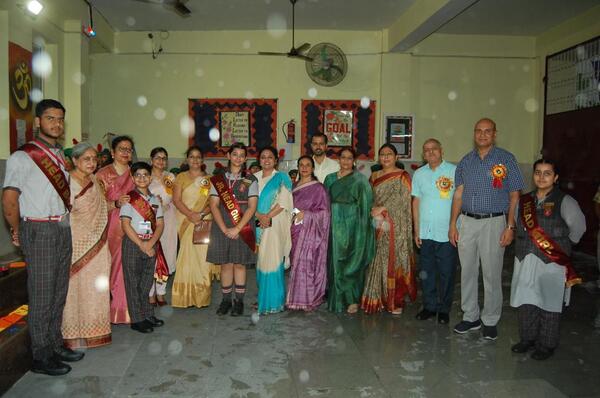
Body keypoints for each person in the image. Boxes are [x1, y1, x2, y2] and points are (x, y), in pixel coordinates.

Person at [2, 99, 83, 376]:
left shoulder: (60, 155)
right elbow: (10, 199)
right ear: (38, 121)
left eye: (60, 119)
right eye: (50, 118)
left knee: (59, 291)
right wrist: (18, 230)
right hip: (39, 230)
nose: (56, 124)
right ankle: (40, 356)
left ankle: (54, 344)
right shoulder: (22, 156)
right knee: (41, 295)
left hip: (62, 228)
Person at [449, 118, 525, 340]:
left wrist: (510, 226)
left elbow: (514, 195)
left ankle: (490, 319)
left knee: (491, 272)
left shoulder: (506, 159)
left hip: (494, 222)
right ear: (474, 134)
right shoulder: (465, 162)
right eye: (478, 131)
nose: (482, 135)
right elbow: (458, 194)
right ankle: (470, 316)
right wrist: (453, 223)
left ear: (494, 134)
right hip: (467, 222)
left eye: (487, 131)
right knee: (467, 271)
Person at [510, 159, 585, 359]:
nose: (541, 177)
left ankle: (547, 344)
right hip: (525, 257)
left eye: (547, 173)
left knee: (549, 302)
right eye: (538, 172)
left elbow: (578, 228)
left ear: (556, 177)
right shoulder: (524, 200)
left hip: (553, 260)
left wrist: (562, 247)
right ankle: (528, 338)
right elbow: (517, 225)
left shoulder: (565, 201)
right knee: (526, 299)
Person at [62, 142, 111, 349]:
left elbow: (103, 207)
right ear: (75, 160)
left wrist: (117, 204)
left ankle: (96, 331)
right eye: (86, 159)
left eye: (94, 159)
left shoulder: (95, 181)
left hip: (99, 245)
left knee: (96, 288)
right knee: (74, 291)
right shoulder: (66, 183)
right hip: (75, 245)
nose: (92, 163)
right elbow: (62, 215)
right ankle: (73, 335)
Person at [361, 144, 416, 315]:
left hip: (395, 227)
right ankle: (376, 297)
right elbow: (369, 197)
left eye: (389, 154)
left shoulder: (402, 176)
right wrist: (373, 210)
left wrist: (383, 208)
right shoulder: (374, 176)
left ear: (396, 157)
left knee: (393, 260)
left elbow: (405, 201)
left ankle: (394, 300)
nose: (385, 157)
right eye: (382, 154)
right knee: (377, 260)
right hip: (376, 224)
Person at [207, 143, 258, 316]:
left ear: (245, 159)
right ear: (228, 156)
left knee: (240, 264)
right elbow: (213, 205)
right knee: (226, 265)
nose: (238, 158)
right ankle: (226, 300)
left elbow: (252, 207)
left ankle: (239, 302)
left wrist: (237, 228)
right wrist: (223, 228)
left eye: (241, 155)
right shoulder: (218, 179)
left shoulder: (251, 179)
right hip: (221, 224)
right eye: (234, 154)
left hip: (242, 225)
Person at [411, 139, 457, 324]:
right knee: (426, 271)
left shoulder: (453, 171)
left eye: (434, 149)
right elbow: (416, 202)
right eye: (426, 150)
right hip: (425, 232)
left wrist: (455, 226)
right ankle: (429, 306)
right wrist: (416, 230)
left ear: (441, 151)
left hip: (446, 232)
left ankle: (444, 309)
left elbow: (459, 199)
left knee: (447, 272)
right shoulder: (419, 174)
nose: (430, 153)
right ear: (423, 154)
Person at [324, 147, 375, 313]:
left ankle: (352, 299)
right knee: (334, 262)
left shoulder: (360, 180)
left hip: (353, 227)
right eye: (343, 158)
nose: (345, 161)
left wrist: (363, 230)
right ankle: (336, 299)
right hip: (332, 226)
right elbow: (323, 204)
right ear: (339, 160)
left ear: (354, 161)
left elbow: (366, 207)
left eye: (349, 158)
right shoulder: (330, 179)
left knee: (352, 261)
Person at [119, 162, 165, 333]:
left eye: (145, 174)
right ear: (132, 178)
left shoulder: (155, 200)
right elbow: (125, 224)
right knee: (133, 283)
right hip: (133, 244)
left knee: (146, 283)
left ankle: (147, 314)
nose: (142, 178)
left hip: (151, 243)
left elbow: (160, 224)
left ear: (150, 177)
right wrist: (142, 244)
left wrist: (151, 243)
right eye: (137, 175)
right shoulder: (129, 199)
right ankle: (137, 319)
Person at [171, 146, 219, 308]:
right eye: (192, 157)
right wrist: (191, 214)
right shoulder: (181, 177)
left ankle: (201, 297)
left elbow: (212, 203)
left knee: (202, 259)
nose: (195, 160)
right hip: (185, 220)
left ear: (202, 160)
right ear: (187, 159)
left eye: (198, 157)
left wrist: (201, 214)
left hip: (203, 221)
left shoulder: (209, 179)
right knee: (185, 258)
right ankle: (183, 297)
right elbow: (176, 200)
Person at [96, 136, 135, 324]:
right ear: (112, 152)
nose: (126, 152)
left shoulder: (136, 173)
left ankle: (131, 308)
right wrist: (115, 203)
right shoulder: (102, 174)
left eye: (129, 149)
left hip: (135, 226)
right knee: (116, 267)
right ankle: (118, 310)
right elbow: (93, 204)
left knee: (131, 266)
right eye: (122, 149)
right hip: (112, 226)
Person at [286, 156, 330, 311]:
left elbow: (325, 213)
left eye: (307, 165)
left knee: (307, 265)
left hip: (310, 233)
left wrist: (307, 214)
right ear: (298, 167)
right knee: (295, 263)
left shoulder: (319, 188)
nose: (304, 168)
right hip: (295, 231)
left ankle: (308, 299)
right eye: (301, 165)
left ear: (312, 168)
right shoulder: (293, 186)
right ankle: (295, 298)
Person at [254, 147, 293, 314]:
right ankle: (264, 298)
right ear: (259, 160)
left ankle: (274, 302)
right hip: (257, 222)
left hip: (275, 224)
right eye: (263, 157)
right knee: (261, 260)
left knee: (272, 259)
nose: (266, 160)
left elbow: (284, 202)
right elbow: (247, 203)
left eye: (270, 157)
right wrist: (258, 215)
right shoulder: (252, 179)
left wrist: (267, 216)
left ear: (276, 160)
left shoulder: (282, 178)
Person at [148, 147, 177, 306]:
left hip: (168, 217)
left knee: (166, 253)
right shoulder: (145, 176)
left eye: (164, 158)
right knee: (152, 253)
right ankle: (150, 293)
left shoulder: (169, 177)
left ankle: (161, 292)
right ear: (151, 160)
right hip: (150, 219)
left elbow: (174, 197)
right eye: (158, 158)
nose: (161, 161)